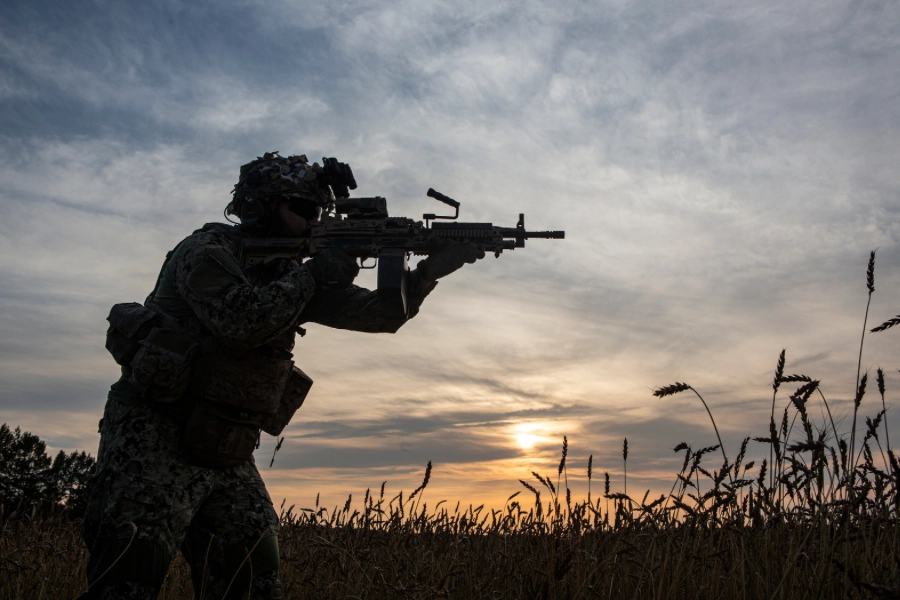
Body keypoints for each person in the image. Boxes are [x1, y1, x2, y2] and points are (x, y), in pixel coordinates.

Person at [80, 152, 483, 599]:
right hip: (153, 435)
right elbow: (241, 321)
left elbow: (378, 316)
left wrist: (427, 272)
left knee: (253, 573)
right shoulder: (207, 251)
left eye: (318, 212)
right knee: (128, 577)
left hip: (225, 441)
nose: (312, 222)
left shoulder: (289, 272)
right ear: (260, 206)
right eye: (301, 210)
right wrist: (316, 274)